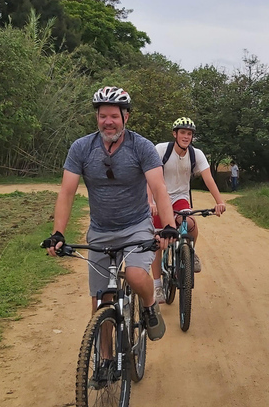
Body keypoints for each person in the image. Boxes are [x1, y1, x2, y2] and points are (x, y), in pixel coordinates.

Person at [44, 86, 177, 347]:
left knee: (137, 276)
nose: (108, 122)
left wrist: (169, 226)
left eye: (114, 116)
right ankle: (104, 361)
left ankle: (150, 306)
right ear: (97, 117)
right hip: (100, 230)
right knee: (101, 300)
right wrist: (57, 233)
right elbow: (67, 191)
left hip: (136, 226)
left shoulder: (142, 147)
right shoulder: (82, 148)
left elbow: (159, 188)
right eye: (102, 116)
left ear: (125, 117)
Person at [149, 117, 226, 303]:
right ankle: (157, 285)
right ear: (174, 134)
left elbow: (208, 179)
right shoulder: (160, 150)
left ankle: (190, 252)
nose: (186, 136)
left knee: (190, 223)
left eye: (189, 134)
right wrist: (150, 202)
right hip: (160, 198)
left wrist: (219, 201)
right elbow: (148, 178)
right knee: (159, 241)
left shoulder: (196, 154)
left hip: (180, 198)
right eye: (182, 132)